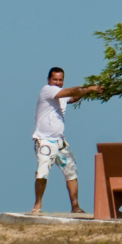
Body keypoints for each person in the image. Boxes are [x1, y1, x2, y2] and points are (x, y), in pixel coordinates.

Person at [31, 67, 102, 214]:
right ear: (49, 80)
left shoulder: (62, 95)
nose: (57, 82)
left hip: (59, 141)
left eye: (60, 80)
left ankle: (75, 206)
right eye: (55, 79)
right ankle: (37, 205)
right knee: (42, 172)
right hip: (45, 140)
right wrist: (90, 88)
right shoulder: (47, 90)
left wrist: (85, 92)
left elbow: (72, 97)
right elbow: (70, 92)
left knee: (71, 172)